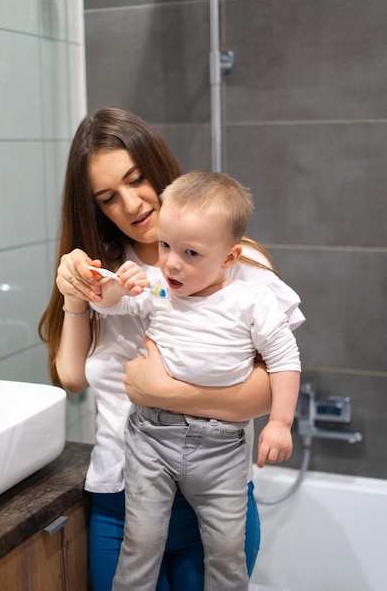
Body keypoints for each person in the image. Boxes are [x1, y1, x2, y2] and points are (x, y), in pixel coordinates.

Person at [38, 108, 305, 591]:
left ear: (158, 167)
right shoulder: (111, 275)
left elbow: (269, 391)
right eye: (108, 197)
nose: (131, 203)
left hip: (214, 490)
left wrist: (162, 392)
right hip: (120, 496)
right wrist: (76, 296)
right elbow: (72, 378)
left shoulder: (239, 262)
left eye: (136, 179)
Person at [90, 171, 301, 591]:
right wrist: (110, 290)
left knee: (226, 550)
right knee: (141, 541)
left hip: (221, 447)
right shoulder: (159, 288)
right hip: (150, 437)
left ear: (228, 258)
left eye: (190, 253)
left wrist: (280, 422)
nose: (171, 261)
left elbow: (284, 358)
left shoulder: (249, 300)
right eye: (165, 245)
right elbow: (112, 308)